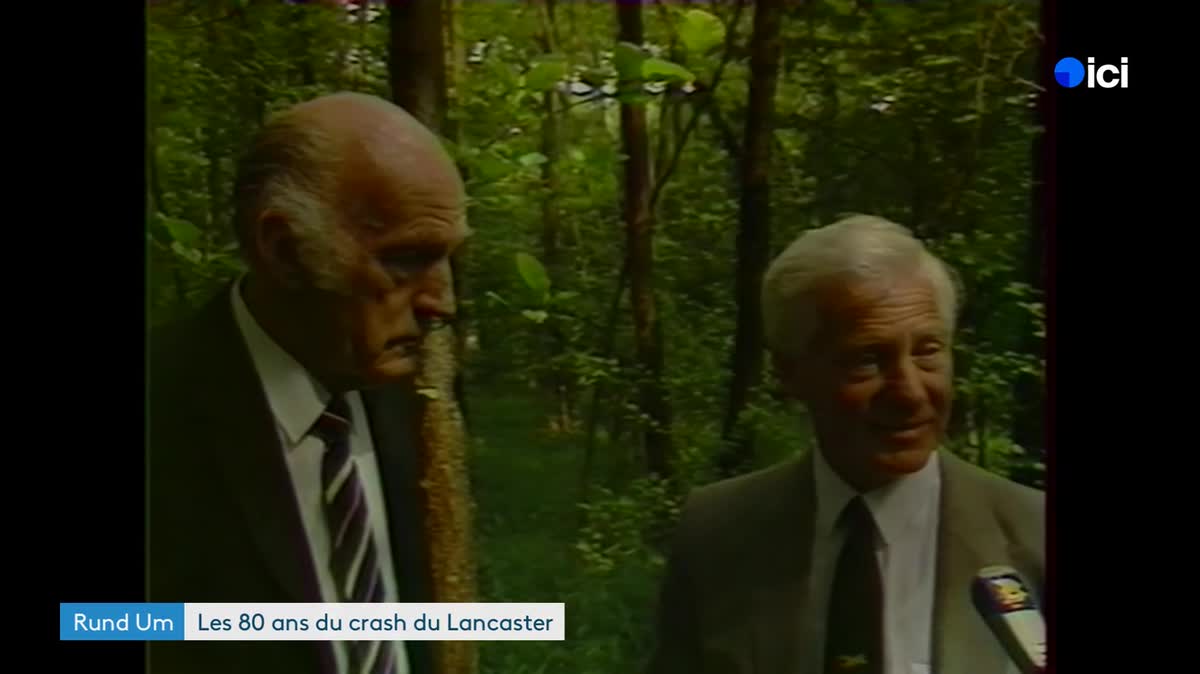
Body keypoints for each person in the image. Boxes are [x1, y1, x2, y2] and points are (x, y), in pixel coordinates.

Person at [147, 92, 470, 674]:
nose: (441, 302)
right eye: (404, 260)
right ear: (284, 250)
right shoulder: (164, 408)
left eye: (446, 259)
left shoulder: (413, 399)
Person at [645, 215, 1044, 674]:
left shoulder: (1033, 534)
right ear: (789, 373)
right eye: (867, 360)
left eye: (928, 351)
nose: (910, 392)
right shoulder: (716, 534)